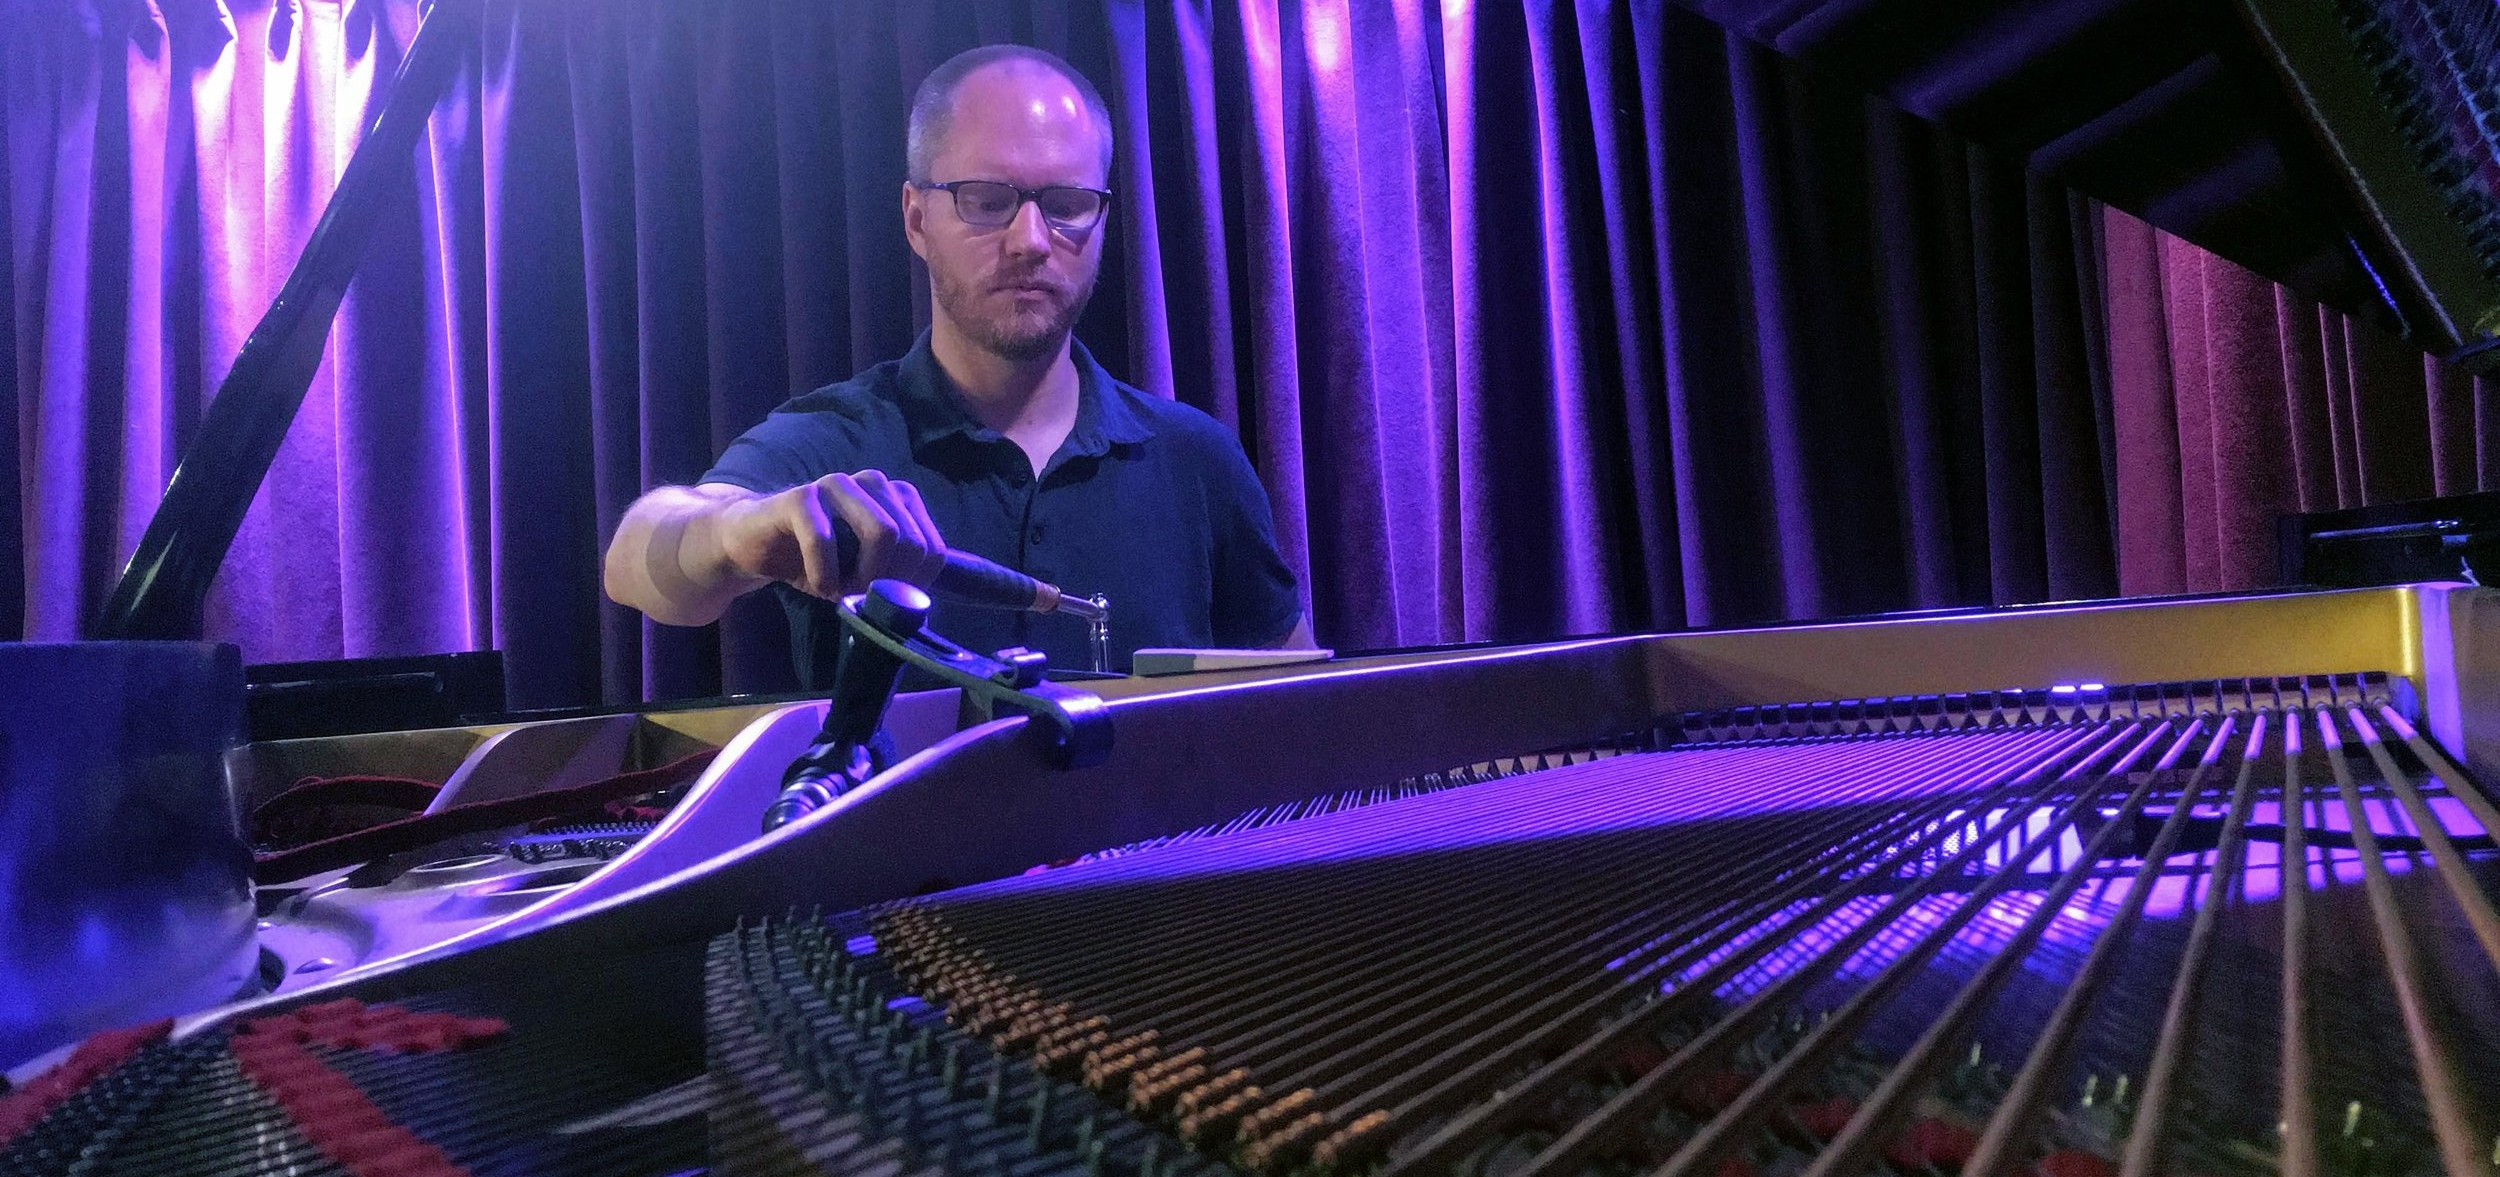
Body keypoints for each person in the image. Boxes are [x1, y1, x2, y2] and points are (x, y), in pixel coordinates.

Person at [603, 44, 1311, 684]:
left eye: (1066, 204)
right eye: (987, 201)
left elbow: (1298, 709)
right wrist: (731, 534)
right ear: (917, 219)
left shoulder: (1198, 459)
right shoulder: (834, 443)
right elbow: (633, 562)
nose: (1031, 241)